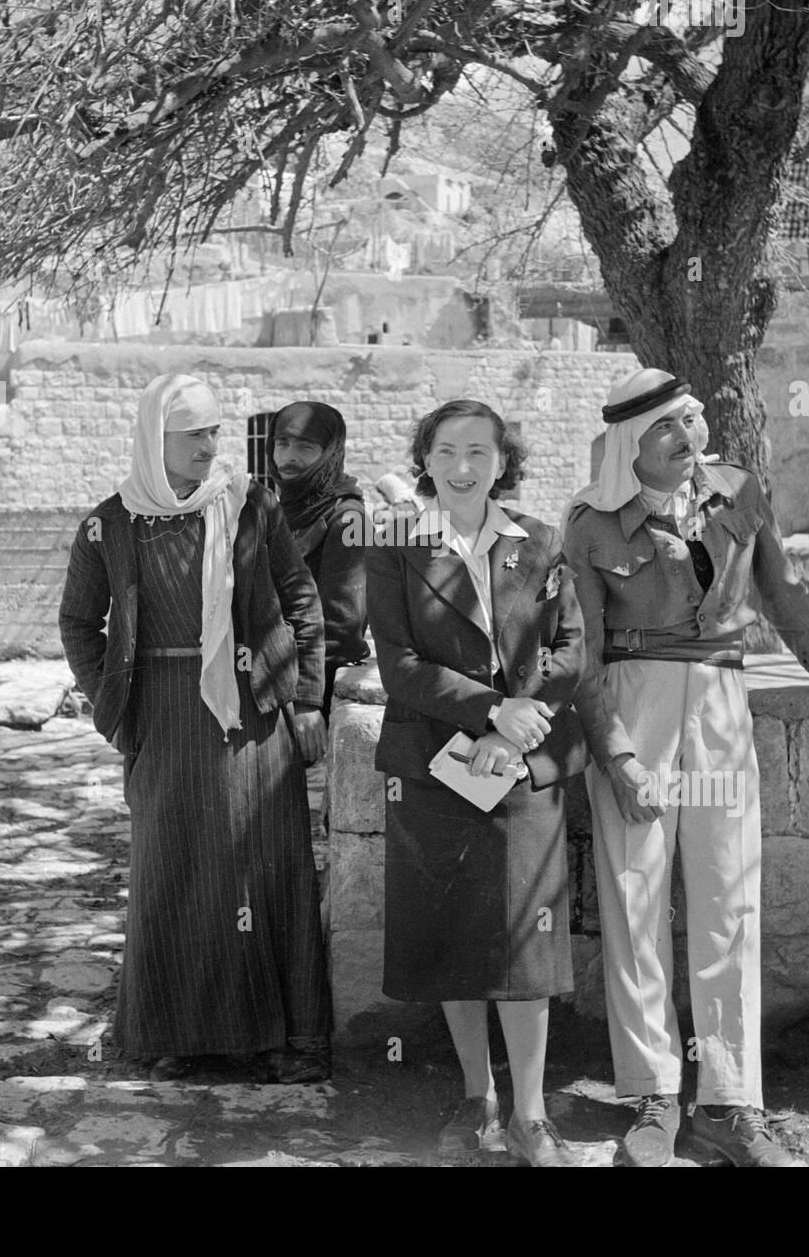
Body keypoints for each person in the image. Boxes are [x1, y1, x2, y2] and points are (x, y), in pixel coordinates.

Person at [565, 367, 809, 1168]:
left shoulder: (739, 492)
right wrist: (619, 754)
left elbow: (783, 593)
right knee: (635, 900)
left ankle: (732, 1101)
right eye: (667, 429)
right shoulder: (590, 523)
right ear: (630, 444)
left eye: (692, 422)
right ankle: (648, 1097)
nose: (688, 439)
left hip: (720, 699)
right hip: (635, 704)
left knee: (728, 900)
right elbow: (583, 654)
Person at [59, 374, 332, 1084]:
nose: (212, 447)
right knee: (173, 871)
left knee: (267, 873)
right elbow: (77, 623)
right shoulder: (110, 524)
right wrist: (114, 705)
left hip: (254, 716)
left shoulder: (250, 508)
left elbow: (301, 599)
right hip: (164, 718)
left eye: (217, 431)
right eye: (195, 435)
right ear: (157, 439)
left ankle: (286, 1038)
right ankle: (174, 1034)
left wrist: (304, 698)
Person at [365, 400, 589, 1167]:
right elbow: (399, 663)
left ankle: (531, 1114)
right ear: (424, 458)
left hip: (525, 766)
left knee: (526, 941)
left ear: (504, 460)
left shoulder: (544, 541)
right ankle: (477, 1096)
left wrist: (518, 725)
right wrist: (492, 710)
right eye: (447, 451)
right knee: (454, 935)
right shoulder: (395, 542)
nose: (463, 467)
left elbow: (570, 647)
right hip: (437, 762)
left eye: (480, 453)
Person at [267, 401, 368, 716]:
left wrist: (307, 701)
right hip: (268, 686)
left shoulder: (349, 519)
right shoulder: (278, 511)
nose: (289, 457)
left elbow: (341, 630)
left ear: (330, 452)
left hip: (309, 703)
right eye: (282, 444)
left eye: (305, 446)